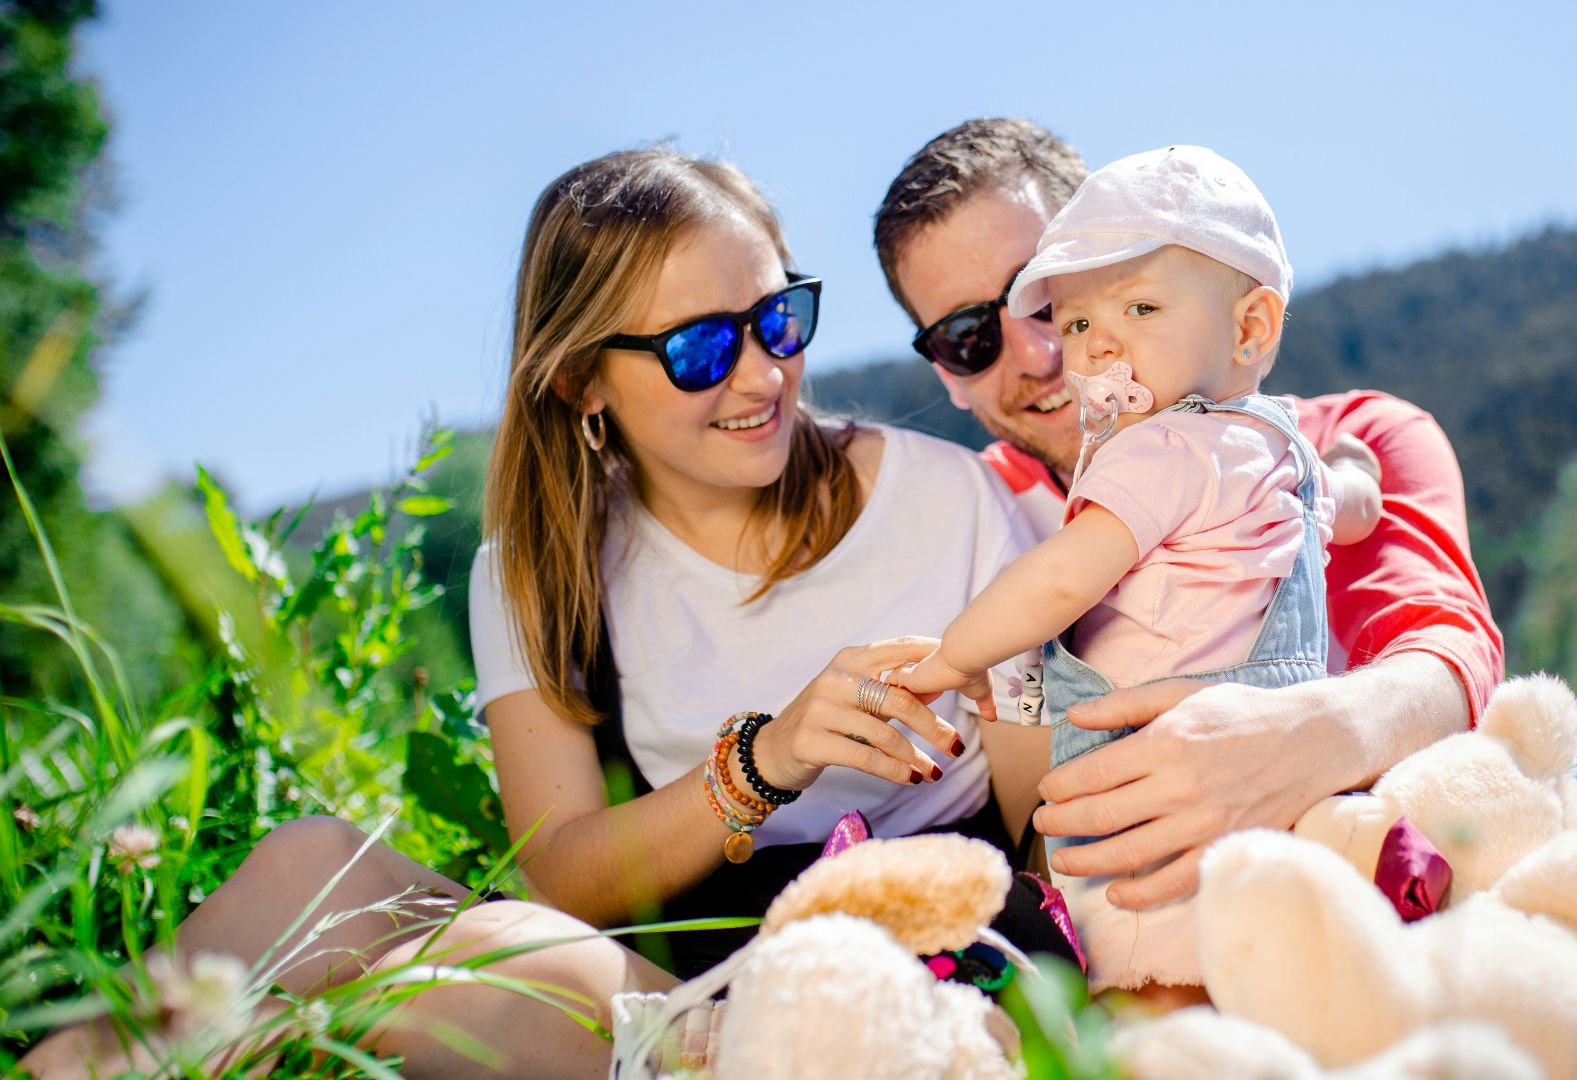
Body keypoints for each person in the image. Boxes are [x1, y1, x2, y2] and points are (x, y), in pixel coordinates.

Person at [26, 147, 1052, 1079]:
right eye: (699, 349)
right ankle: (73, 1063)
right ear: (580, 381)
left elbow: (1042, 834)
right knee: (308, 860)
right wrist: (763, 761)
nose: (761, 372)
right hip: (688, 975)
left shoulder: (942, 499)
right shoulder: (538, 569)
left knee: (480, 960)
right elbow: (564, 873)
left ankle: (206, 1055)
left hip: (912, 973)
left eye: (779, 317)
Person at [872, 118, 1577, 904]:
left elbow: (1447, 655)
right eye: (971, 337)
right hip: (1155, 915)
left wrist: (1303, 733)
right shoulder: (980, 520)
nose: (1047, 350)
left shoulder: (1343, 436)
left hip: (1423, 848)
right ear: (948, 379)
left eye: (1047, 297)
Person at [898, 144, 1383, 996]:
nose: (1087, 351)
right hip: (1280, 789)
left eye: (1141, 307)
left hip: (1153, 820)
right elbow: (1354, 507)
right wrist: (1352, 465)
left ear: (1251, 328)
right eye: (1080, 322)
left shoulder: (1154, 451)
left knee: (1150, 984)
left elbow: (1057, 584)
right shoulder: (1282, 446)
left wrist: (950, 659)